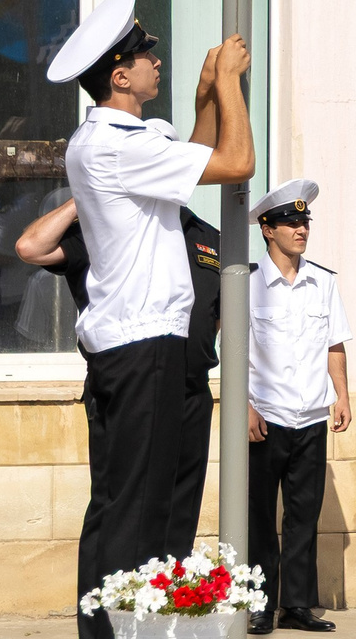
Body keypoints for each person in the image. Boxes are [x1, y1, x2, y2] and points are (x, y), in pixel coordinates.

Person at [47, 0, 254, 639]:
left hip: (135, 346)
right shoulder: (112, 143)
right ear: (118, 77)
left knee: (123, 510)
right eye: (144, 56)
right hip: (141, 348)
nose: (154, 61)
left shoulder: (120, 142)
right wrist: (228, 86)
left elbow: (191, 157)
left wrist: (202, 93)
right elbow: (234, 161)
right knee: (133, 514)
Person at [16, 191, 225, 554]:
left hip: (190, 391)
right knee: (120, 506)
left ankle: (165, 603)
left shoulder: (207, 235)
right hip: (130, 386)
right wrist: (85, 196)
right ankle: (110, 606)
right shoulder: (108, 224)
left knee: (180, 509)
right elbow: (31, 247)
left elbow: (217, 315)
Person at [245, 178, 352, 634]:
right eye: (290, 222)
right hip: (263, 416)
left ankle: (297, 604)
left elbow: (334, 344)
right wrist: (242, 407)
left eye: (304, 221)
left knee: (305, 514)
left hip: (310, 414)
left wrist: (342, 393)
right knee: (257, 518)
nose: (300, 229)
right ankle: (258, 604)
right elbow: (231, 350)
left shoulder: (322, 283)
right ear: (267, 229)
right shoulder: (246, 284)